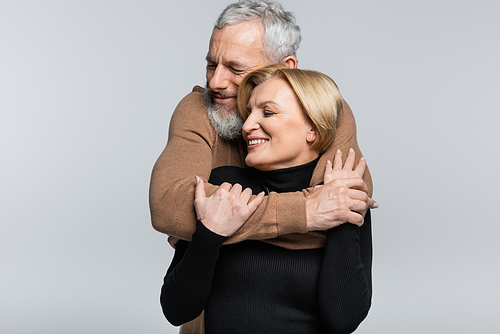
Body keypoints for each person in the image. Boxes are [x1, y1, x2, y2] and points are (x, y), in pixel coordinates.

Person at [160, 64, 372, 333]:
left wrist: (340, 217)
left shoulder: (341, 196)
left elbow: (344, 318)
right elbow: (176, 309)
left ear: (313, 130)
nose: (247, 125)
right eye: (248, 113)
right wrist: (209, 236)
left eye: (268, 112)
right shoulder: (224, 187)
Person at [149, 0, 375, 249]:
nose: (215, 82)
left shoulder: (323, 108)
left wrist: (209, 232)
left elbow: (345, 210)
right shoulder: (197, 109)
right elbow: (168, 207)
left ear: (283, 68)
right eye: (212, 65)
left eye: (236, 68)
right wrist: (306, 212)